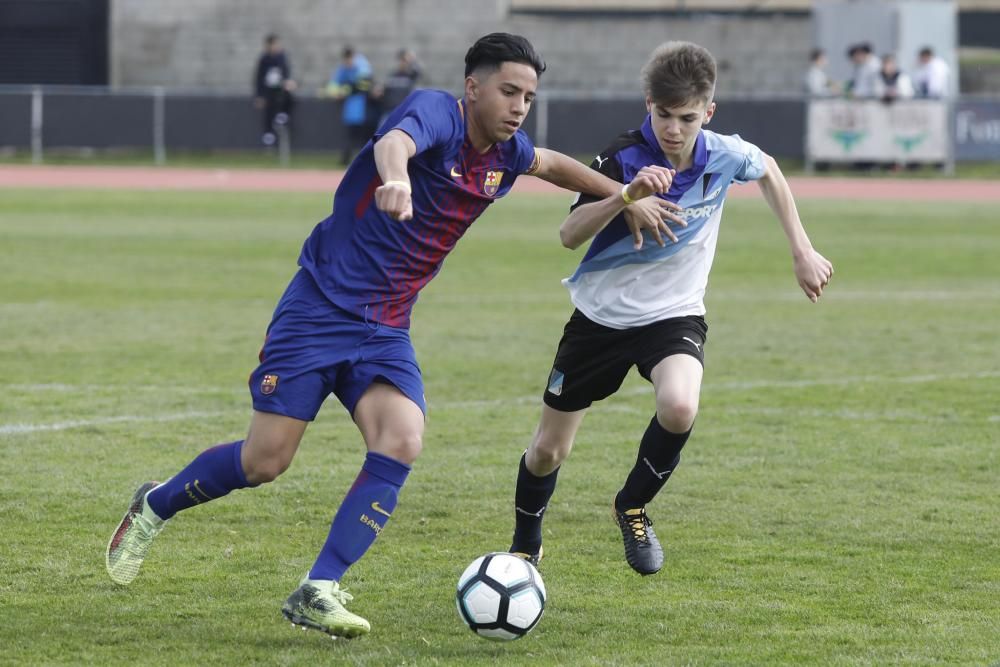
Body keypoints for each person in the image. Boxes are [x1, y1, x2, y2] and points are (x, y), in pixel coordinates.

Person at [105, 32, 675, 639]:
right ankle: (155, 504)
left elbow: (551, 163)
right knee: (265, 460)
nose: (518, 106)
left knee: (403, 438)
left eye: (529, 97)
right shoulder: (435, 112)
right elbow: (396, 142)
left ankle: (318, 587)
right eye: (508, 91)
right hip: (318, 310)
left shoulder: (505, 154)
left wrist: (619, 196)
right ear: (473, 87)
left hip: (386, 328)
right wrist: (396, 177)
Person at [507, 41, 833, 576]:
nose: (674, 129)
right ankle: (526, 542)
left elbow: (769, 169)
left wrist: (801, 248)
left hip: (674, 314)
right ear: (648, 105)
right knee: (547, 451)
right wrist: (626, 197)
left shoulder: (724, 153)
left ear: (708, 112)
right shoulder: (621, 159)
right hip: (600, 322)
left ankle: (631, 505)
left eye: (687, 117)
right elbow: (568, 235)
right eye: (663, 115)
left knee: (680, 406)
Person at [327, 46, 376, 164]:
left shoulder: (363, 67)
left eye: (349, 60)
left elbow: (363, 86)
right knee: (350, 134)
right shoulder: (343, 68)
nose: (347, 63)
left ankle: (368, 160)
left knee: (365, 135)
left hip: (365, 106)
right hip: (352, 107)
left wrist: (344, 91)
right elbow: (333, 85)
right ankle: (347, 159)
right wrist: (335, 92)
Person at [253, 33, 297, 147]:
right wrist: (259, 95)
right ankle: (268, 134)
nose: (276, 47)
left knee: (289, 98)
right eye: (274, 44)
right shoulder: (264, 59)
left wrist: (288, 82)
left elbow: (286, 72)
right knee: (269, 109)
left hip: (280, 87)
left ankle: (282, 116)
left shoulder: (282, 57)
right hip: (268, 89)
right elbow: (259, 77)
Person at [378, 48, 422, 124]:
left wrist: (412, 59)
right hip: (389, 111)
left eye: (404, 61)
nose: (402, 63)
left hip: (403, 112)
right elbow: (384, 91)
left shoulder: (410, 76)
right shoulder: (392, 76)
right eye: (401, 60)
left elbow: (418, 71)